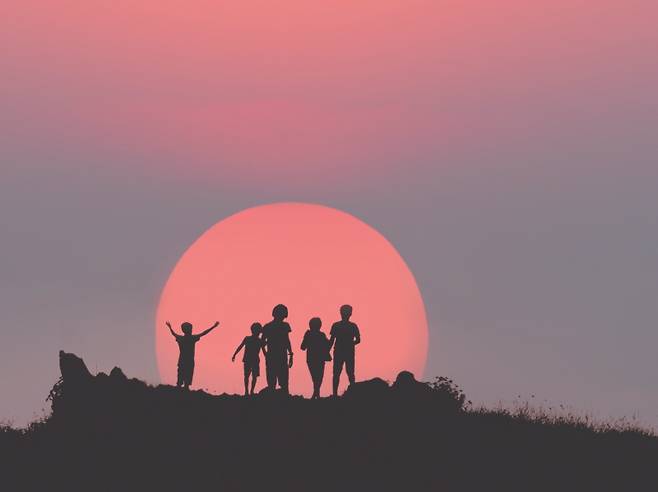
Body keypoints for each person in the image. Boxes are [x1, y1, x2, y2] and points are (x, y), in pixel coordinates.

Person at [166, 320, 219, 390]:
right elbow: (204, 333)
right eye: (191, 328)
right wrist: (213, 327)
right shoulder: (192, 338)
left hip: (182, 360)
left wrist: (170, 328)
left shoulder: (181, 338)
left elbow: (173, 334)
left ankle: (180, 389)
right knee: (187, 375)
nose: (191, 330)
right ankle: (185, 389)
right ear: (188, 330)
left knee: (181, 375)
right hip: (189, 361)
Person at [328, 305, 361, 397]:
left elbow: (331, 340)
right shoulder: (353, 326)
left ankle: (335, 394)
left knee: (337, 373)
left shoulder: (336, 325)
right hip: (348, 351)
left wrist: (327, 351)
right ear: (350, 313)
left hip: (339, 351)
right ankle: (352, 392)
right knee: (350, 372)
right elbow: (358, 340)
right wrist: (351, 344)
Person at [261, 304, 294, 394]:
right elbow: (287, 340)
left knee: (275, 381)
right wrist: (290, 354)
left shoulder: (268, 326)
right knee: (281, 381)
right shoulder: (284, 326)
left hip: (275, 355)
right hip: (278, 355)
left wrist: (290, 354)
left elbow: (262, 342)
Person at [300, 317, 331, 399]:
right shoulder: (321, 335)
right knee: (318, 377)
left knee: (315, 377)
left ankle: (315, 394)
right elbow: (328, 345)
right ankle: (316, 394)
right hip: (319, 358)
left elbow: (302, 347)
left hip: (311, 358)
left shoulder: (309, 334)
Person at [231, 322, 265, 395]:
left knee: (252, 376)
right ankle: (248, 391)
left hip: (252, 359)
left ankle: (249, 391)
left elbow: (263, 350)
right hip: (250, 359)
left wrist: (234, 354)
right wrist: (234, 354)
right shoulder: (249, 339)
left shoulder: (258, 340)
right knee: (249, 376)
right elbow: (240, 346)